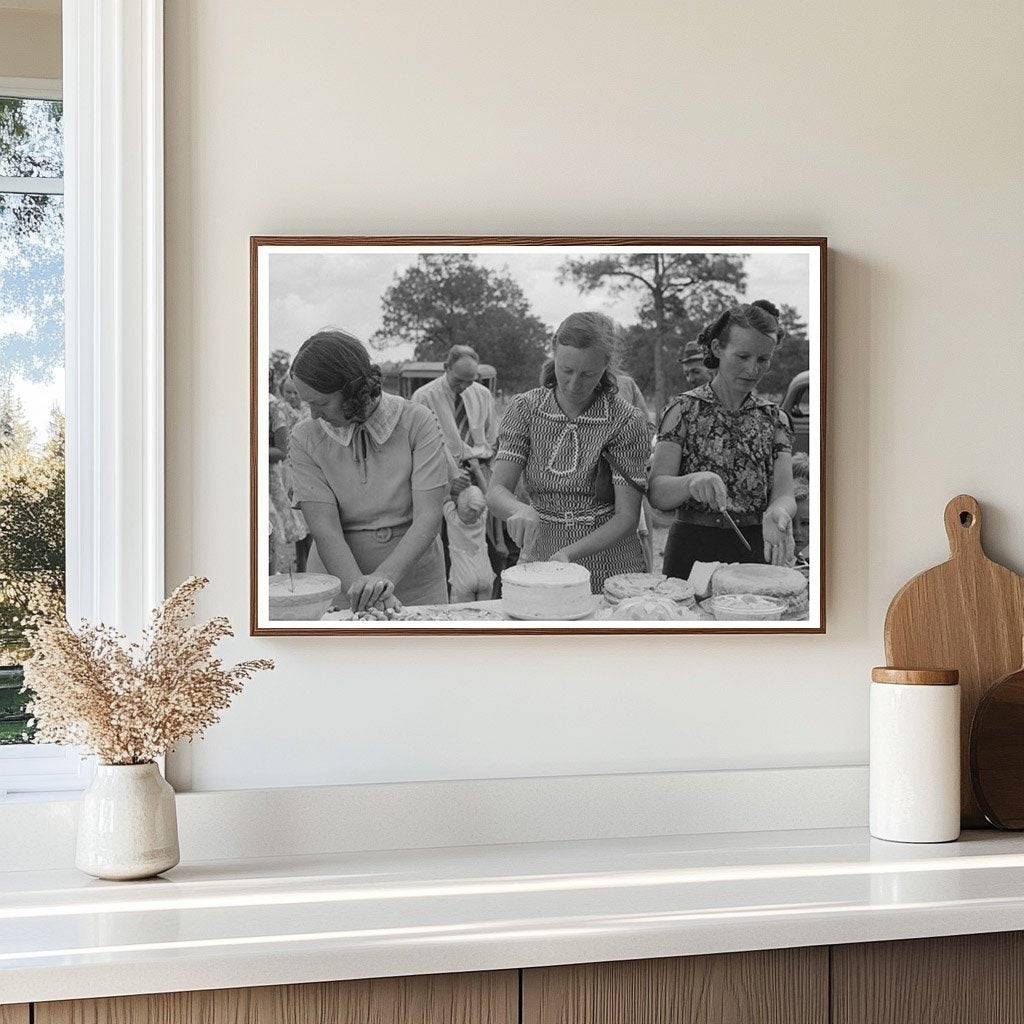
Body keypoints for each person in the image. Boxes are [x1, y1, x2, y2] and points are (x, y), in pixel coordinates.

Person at [487, 311, 652, 592]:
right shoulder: (525, 409)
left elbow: (626, 517)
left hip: (611, 561)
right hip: (542, 554)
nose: (575, 384)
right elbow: (496, 491)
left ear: (607, 366)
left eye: (588, 374)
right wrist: (518, 508)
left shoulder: (626, 420)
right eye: (566, 370)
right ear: (553, 354)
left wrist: (568, 555)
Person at [287, 330, 450, 612]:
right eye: (308, 404)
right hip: (339, 582)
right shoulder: (304, 437)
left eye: (322, 403)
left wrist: (383, 579)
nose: (313, 414)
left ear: (353, 389)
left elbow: (429, 516)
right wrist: (361, 589)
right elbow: (325, 529)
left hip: (417, 582)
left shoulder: (418, 421)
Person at [649, 300, 797, 581]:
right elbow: (657, 493)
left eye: (763, 360)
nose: (753, 370)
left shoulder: (775, 419)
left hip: (754, 550)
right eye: (742, 357)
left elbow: (785, 494)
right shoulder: (683, 410)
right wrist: (691, 482)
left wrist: (778, 512)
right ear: (717, 349)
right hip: (691, 551)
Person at [410, 345, 504, 591]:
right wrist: (451, 478)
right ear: (446, 368)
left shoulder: (482, 394)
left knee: (489, 537)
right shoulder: (424, 397)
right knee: (449, 537)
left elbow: (492, 436)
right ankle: (452, 592)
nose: (464, 386)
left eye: (469, 381)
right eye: (458, 380)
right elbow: (421, 446)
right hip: (443, 477)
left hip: (479, 471)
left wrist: (484, 468)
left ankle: (490, 591)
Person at [269, 374, 311, 571]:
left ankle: (304, 564)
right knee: (289, 516)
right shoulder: (280, 408)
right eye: (288, 393)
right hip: (287, 467)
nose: (293, 397)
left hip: (304, 465)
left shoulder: (308, 410)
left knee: (306, 517)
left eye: (296, 393)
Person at [444, 484, 495, 603]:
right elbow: (489, 495)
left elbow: (443, 496)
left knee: (464, 617)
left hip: (462, 577)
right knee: (485, 615)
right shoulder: (481, 517)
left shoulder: (452, 518)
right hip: (485, 574)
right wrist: (477, 470)